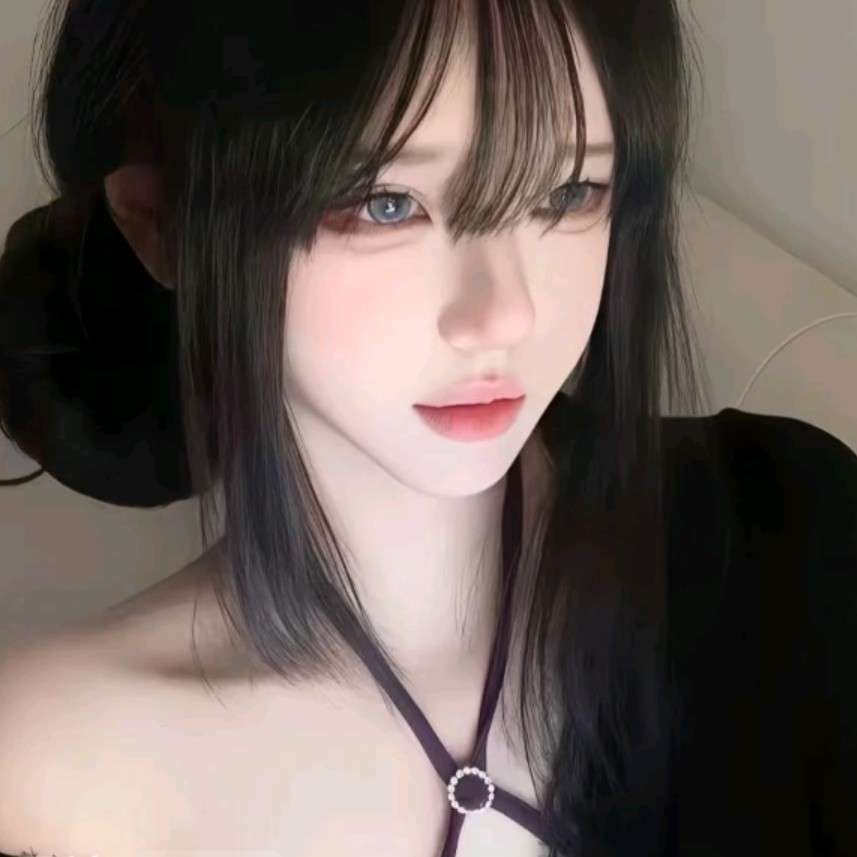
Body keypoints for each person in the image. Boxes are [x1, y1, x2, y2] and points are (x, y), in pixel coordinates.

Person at [0, 1, 855, 855]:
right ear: (163, 223)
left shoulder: (785, 536)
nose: (503, 313)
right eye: (386, 204)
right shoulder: (59, 770)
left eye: (567, 193)